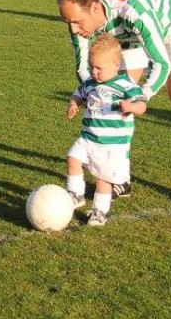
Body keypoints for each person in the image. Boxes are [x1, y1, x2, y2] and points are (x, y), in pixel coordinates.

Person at [56, 0, 171, 207]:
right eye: (68, 22)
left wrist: (140, 97)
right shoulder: (79, 19)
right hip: (124, 33)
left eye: (77, 22)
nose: (73, 28)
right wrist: (97, 92)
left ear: (95, 7)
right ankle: (120, 179)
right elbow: (82, 68)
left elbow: (162, 64)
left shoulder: (132, 11)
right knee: (117, 101)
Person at [63, 33, 147, 226]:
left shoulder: (126, 85)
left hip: (112, 145)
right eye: (92, 67)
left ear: (116, 65)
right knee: (73, 157)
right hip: (88, 137)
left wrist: (131, 107)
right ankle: (76, 194)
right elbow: (78, 94)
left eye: (100, 68)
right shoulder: (91, 83)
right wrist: (74, 104)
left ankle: (99, 212)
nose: (94, 72)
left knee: (103, 179)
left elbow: (142, 106)